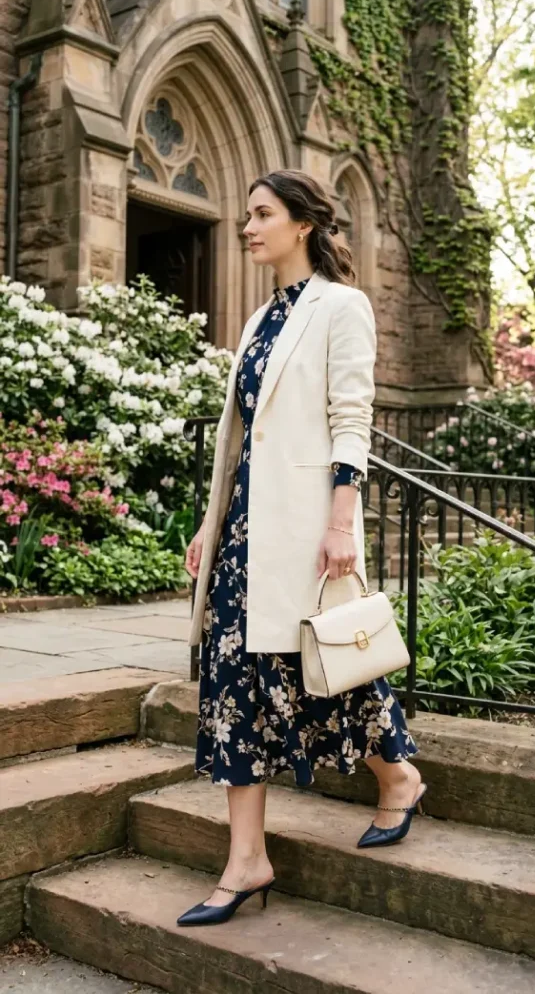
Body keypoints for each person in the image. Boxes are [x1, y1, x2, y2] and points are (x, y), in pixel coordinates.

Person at [178, 169, 425, 927]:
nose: (247, 226)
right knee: (231, 687)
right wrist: (209, 525)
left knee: (322, 669)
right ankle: (247, 857)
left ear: (303, 224)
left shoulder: (339, 307)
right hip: (245, 530)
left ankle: (399, 777)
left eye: (261, 214)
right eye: (246, 214)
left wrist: (341, 521)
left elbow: (353, 416)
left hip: (304, 528)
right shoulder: (259, 320)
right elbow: (243, 438)